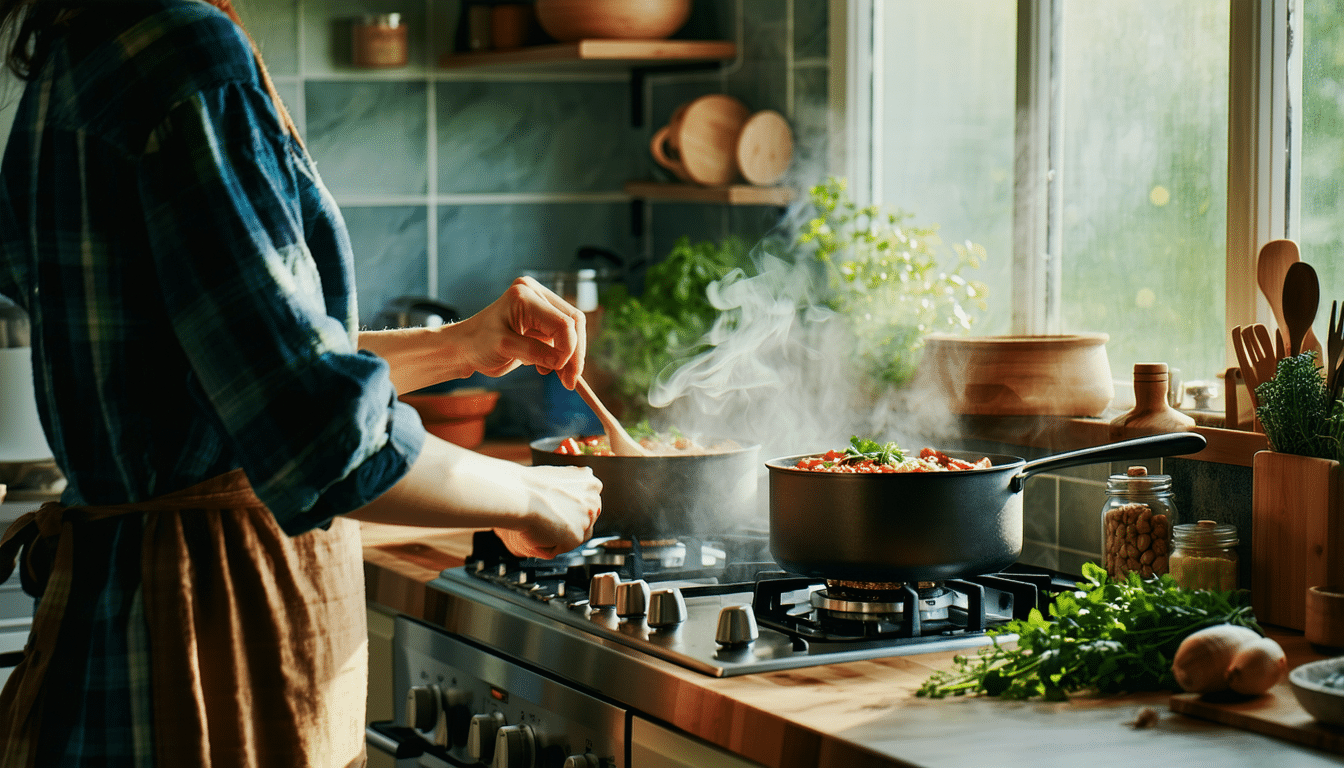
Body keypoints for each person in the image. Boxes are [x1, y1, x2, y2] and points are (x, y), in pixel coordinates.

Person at [0, 1, 602, 766]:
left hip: (119, 634)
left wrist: (460, 347)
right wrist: (534, 496)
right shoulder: (185, 53)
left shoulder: (77, 55)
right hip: (209, 633)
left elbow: (225, 376)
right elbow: (320, 435)